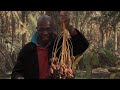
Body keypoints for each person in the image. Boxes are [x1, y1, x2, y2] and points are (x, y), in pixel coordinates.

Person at [11, 11, 89, 79]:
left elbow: (83, 45)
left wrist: (69, 27)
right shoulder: (27, 50)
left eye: (48, 29)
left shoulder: (60, 45)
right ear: (37, 29)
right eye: (41, 29)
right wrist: (19, 77)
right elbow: (16, 72)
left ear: (52, 28)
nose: (45, 33)